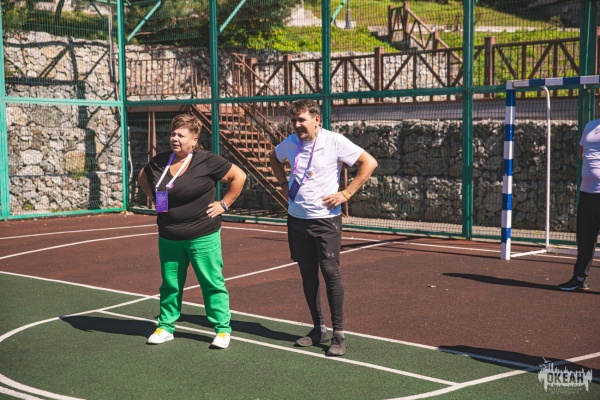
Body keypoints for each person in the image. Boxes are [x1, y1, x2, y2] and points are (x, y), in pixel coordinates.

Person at [269, 100, 378, 356]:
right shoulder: (291, 142)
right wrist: (283, 185)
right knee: (308, 274)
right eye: (294, 121)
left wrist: (346, 193)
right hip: (296, 219)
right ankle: (319, 329)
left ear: (316, 119)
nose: (297, 125)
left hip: (325, 220)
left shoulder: (334, 141)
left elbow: (369, 162)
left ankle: (339, 334)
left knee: (330, 272)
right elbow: (273, 157)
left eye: (301, 120)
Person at [138, 113, 246, 348]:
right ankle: (166, 326)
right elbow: (143, 177)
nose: (175, 139)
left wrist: (224, 204)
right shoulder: (159, 161)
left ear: (194, 140)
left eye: (181, 135)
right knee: (170, 284)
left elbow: (239, 176)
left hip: (202, 234)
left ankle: (222, 330)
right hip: (169, 235)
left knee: (211, 282)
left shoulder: (207, 161)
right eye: (173, 134)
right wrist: (154, 199)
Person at [558, 117, 600, 291]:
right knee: (585, 238)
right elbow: (581, 151)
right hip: (587, 192)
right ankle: (579, 278)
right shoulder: (590, 125)